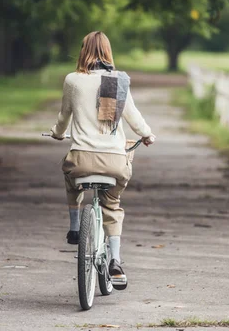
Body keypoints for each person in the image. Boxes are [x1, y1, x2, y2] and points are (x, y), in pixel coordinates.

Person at [50, 31, 155, 289]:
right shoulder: (118, 80)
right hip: (114, 162)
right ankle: (116, 261)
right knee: (112, 204)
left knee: (70, 176)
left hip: (81, 159)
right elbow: (132, 116)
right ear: (108, 52)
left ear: (83, 50)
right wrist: (147, 134)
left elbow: (64, 115)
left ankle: (75, 227)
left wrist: (58, 133)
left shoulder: (73, 80)